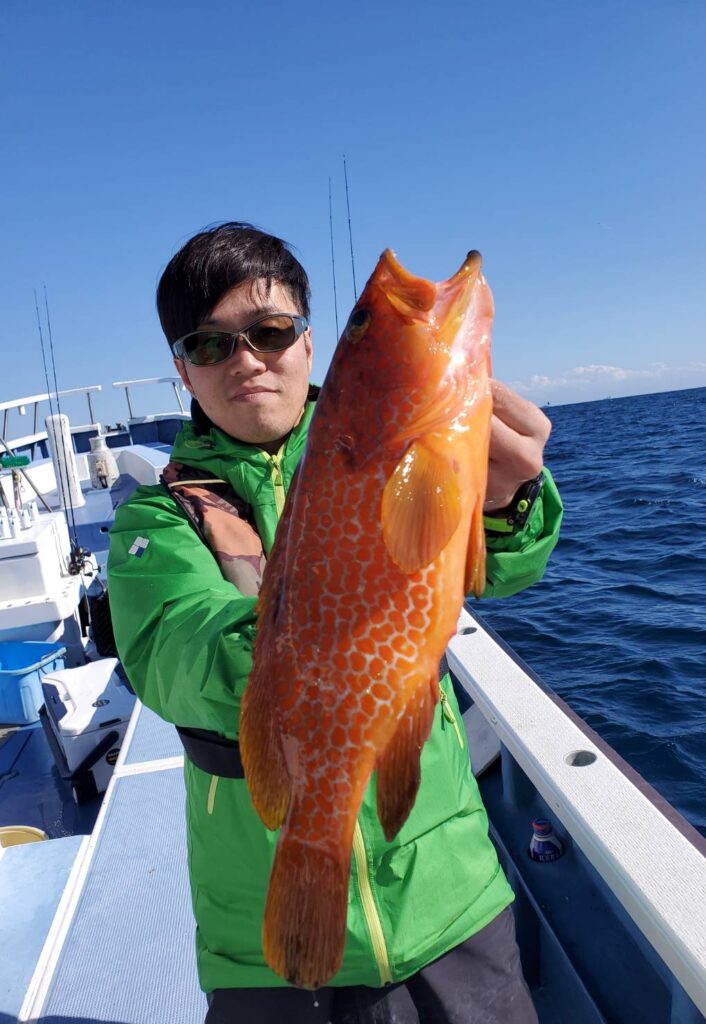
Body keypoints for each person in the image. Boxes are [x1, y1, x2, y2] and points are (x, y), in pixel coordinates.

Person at [107, 222, 563, 1023]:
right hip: (257, 935)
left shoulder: (384, 445)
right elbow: (171, 654)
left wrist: (506, 499)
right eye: (210, 344)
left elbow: (504, 569)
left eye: (270, 331)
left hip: (447, 894)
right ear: (183, 369)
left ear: (310, 344)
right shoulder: (159, 517)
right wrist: (314, 642)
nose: (247, 360)